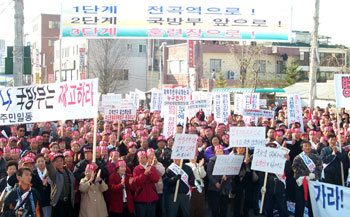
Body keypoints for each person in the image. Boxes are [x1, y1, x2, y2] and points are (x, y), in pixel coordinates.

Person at [292, 141, 323, 217]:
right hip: (301, 183)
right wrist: (307, 175)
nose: (307, 147)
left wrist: (314, 175)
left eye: (309, 146)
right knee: (300, 203)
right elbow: (295, 169)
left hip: (312, 183)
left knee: (312, 203)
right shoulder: (298, 158)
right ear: (302, 148)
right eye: (305, 146)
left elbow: (319, 168)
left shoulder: (316, 157)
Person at [46, 153, 75, 217]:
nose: (59, 163)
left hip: (68, 202)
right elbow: (50, 169)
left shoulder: (68, 171)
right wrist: (48, 162)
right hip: (58, 202)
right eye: (57, 161)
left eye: (61, 161)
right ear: (53, 163)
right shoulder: (54, 173)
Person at [206, 145, 231, 217]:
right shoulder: (212, 160)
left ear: (223, 152)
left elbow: (232, 171)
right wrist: (215, 183)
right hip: (214, 188)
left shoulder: (228, 160)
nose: (219, 153)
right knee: (215, 208)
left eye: (221, 151)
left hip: (225, 186)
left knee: (224, 207)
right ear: (215, 153)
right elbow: (209, 173)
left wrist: (227, 176)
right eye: (218, 151)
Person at [133, 150, 159, 217]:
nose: (143, 159)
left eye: (144, 157)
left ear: (147, 158)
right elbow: (136, 181)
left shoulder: (151, 168)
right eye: (141, 158)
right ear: (138, 159)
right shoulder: (136, 169)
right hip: (141, 197)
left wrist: (150, 173)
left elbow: (156, 179)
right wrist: (144, 174)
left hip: (152, 196)